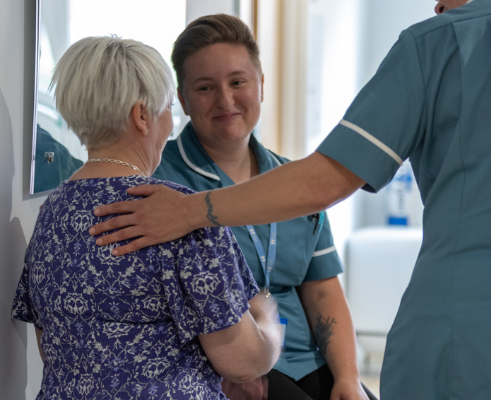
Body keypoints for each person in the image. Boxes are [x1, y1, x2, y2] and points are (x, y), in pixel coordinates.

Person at [87, 0, 491, 398]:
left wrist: (192, 211)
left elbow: (326, 181)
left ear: (260, 83)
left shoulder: (435, 45)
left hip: (469, 328)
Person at [12, 36, 283, 399]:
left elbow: (50, 346)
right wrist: (268, 326)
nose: (170, 123)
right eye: (168, 107)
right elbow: (243, 362)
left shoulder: (51, 213)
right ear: (142, 116)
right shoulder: (179, 213)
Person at [152, 14, 373, 400]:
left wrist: (348, 379)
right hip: (222, 368)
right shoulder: (160, 182)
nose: (225, 100)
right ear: (183, 101)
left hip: (303, 360)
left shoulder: (295, 182)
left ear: (261, 85)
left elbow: (322, 291)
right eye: (205, 87)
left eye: (238, 82)